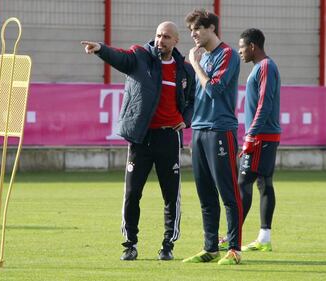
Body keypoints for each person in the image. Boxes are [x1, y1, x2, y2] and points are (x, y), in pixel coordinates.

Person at [81, 21, 195, 261]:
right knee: (132, 193)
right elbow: (120, 58)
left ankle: (168, 245)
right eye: (157, 35)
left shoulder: (185, 69)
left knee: (170, 195)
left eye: (166, 37)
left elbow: (193, 100)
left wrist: (186, 119)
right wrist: (101, 48)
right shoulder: (140, 57)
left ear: (176, 41)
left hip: (168, 137)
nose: (160, 40)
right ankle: (130, 244)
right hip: (141, 137)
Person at [182, 9, 243, 265]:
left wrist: (194, 64)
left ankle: (234, 249)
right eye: (191, 30)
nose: (193, 34)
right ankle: (210, 248)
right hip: (198, 130)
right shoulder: (204, 56)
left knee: (228, 192)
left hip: (220, 129)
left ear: (211, 28)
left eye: (197, 28)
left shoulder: (227, 55)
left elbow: (215, 90)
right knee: (205, 193)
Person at [237, 28, 281, 251]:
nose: (240, 51)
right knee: (264, 183)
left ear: (252, 46)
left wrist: (251, 134)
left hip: (261, 136)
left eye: (242, 47)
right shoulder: (262, 67)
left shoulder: (265, 67)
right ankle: (264, 237)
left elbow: (265, 104)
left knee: (243, 183)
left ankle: (232, 236)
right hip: (265, 135)